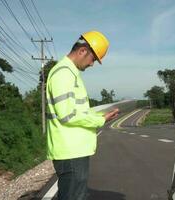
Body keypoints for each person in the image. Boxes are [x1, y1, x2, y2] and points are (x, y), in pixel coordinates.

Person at [45, 30, 119, 200]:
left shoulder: (70, 73)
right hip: (70, 152)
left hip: (74, 151)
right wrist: (100, 119)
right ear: (82, 51)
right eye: (93, 59)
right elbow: (68, 115)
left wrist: (100, 113)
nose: (92, 64)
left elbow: (75, 111)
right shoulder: (63, 73)